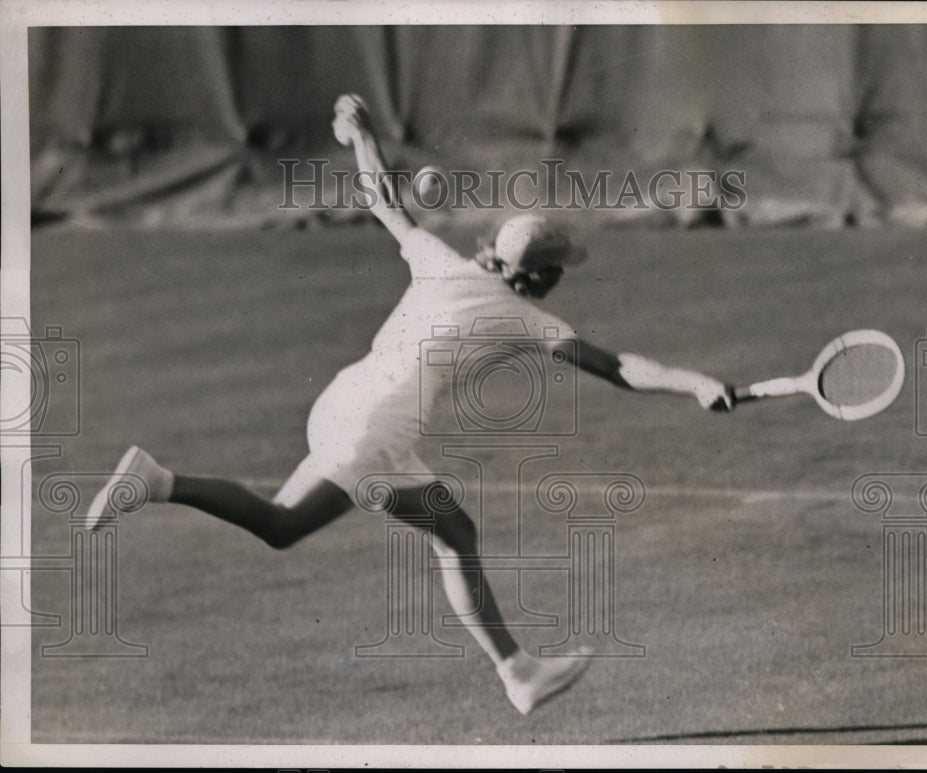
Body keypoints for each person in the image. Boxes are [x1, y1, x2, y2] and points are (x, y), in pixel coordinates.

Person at [87, 94, 734, 716]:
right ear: (534, 277)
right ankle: (156, 481)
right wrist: (694, 381)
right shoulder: (525, 320)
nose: (563, 275)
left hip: (344, 403)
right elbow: (618, 367)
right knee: (298, 526)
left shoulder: (441, 262)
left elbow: (384, 200)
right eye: (558, 267)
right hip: (378, 431)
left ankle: (519, 672)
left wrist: (362, 135)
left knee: (438, 530)